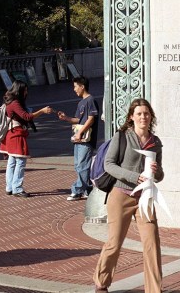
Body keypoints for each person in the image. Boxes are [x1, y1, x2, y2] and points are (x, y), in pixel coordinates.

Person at [93, 99, 165, 293]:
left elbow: (160, 176)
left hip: (145, 198)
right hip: (121, 195)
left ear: (151, 117)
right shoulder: (123, 136)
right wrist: (134, 176)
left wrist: (156, 171)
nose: (143, 117)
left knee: (152, 243)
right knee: (114, 243)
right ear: (132, 117)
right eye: (139, 114)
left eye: (147, 114)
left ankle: (154, 290)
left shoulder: (155, 142)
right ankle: (101, 281)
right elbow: (109, 164)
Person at [0, 80, 53, 197]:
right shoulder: (15, 103)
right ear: (20, 90)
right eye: (25, 90)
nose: (26, 92)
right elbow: (27, 117)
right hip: (16, 135)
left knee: (12, 161)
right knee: (20, 161)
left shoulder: (10, 101)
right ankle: (17, 188)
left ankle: (10, 187)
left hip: (11, 134)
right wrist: (42, 111)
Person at [57, 76, 99, 201]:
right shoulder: (81, 102)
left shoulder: (90, 100)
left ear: (82, 86)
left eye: (75, 86)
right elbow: (78, 120)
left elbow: (91, 119)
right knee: (79, 165)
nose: (74, 89)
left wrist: (80, 132)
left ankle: (77, 189)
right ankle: (87, 190)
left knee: (82, 165)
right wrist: (66, 118)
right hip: (79, 138)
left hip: (86, 139)